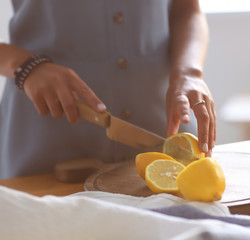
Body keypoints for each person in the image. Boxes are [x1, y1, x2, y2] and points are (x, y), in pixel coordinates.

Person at [0, 0, 216, 179]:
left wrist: (190, 72)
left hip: (162, 127)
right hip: (46, 138)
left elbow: (186, 8)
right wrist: (23, 65)